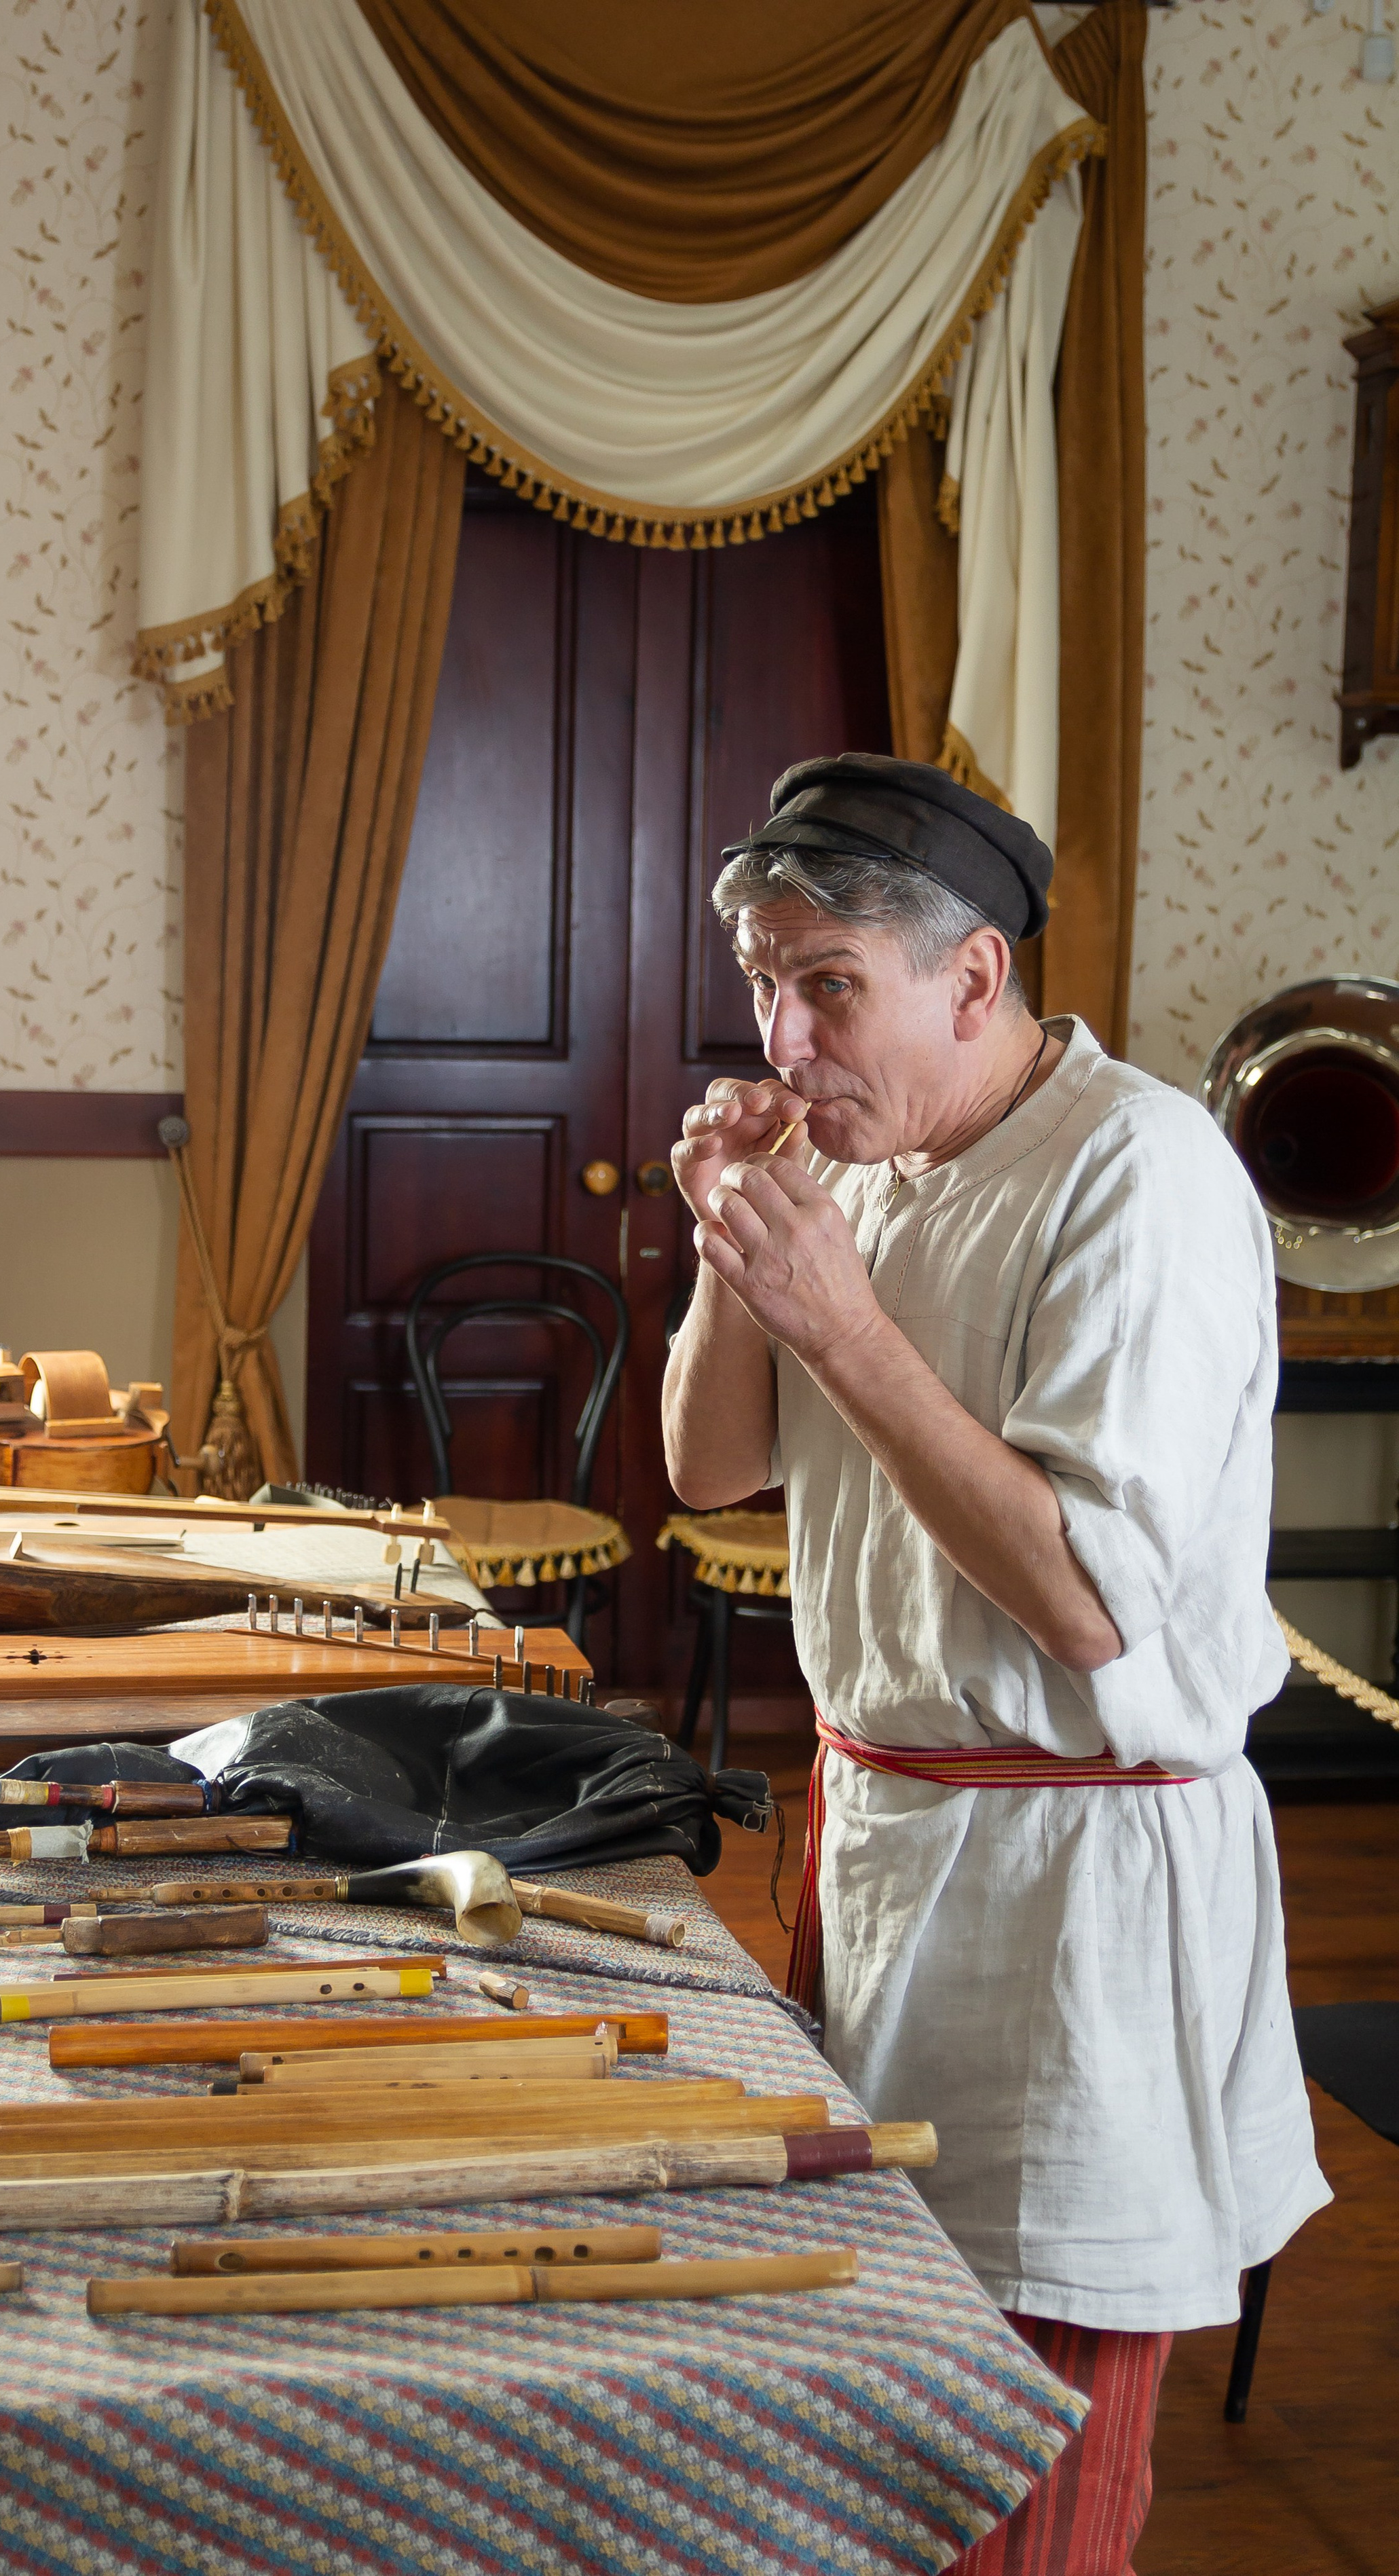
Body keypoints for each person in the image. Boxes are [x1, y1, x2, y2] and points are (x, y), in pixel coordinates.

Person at [662, 754, 1328, 2576]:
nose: (784, 1039)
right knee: (886, 2427)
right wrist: (738, 1258)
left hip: (1072, 1901)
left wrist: (848, 1324)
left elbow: (1089, 1601)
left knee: (1027, 2476)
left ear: (973, 978)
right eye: (763, 986)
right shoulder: (862, 1157)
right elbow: (709, 1468)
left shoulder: (1139, 1169)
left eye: (827, 987)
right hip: (889, 1847)